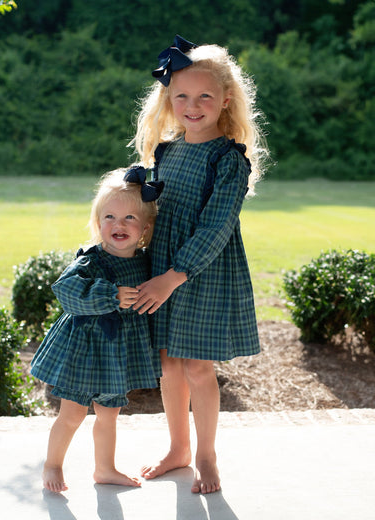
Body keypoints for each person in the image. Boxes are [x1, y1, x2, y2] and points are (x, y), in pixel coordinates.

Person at [131, 35, 268, 494]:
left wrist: (175, 275)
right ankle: (178, 449)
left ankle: (206, 454)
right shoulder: (167, 152)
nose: (193, 105)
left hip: (202, 272)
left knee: (197, 367)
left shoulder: (229, 159)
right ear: (169, 100)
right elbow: (154, 215)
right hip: (163, 269)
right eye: (182, 96)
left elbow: (216, 227)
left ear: (225, 100)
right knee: (168, 365)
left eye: (204, 96)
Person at [31, 166, 163, 493]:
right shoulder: (91, 261)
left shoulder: (146, 262)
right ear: (98, 222)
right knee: (72, 414)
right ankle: (53, 463)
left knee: (109, 413)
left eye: (130, 218)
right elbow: (66, 291)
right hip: (84, 348)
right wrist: (109, 295)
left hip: (116, 352)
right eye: (110, 217)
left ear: (145, 228)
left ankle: (104, 468)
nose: (119, 225)